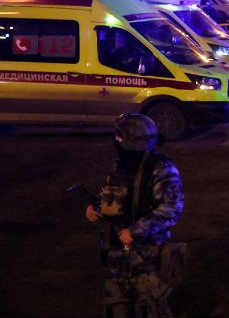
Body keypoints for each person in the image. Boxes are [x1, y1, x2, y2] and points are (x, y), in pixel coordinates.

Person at [84, 113, 184, 318]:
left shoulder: (162, 169)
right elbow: (115, 197)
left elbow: (171, 210)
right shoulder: (121, 164)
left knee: (151, 305)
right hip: (118, 252)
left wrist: (136, 231)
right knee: (119, 304)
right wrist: (96, 208)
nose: (116, 141)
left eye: (120, 137)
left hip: (147, 252)